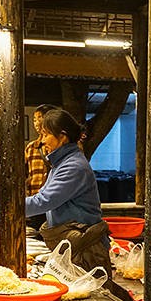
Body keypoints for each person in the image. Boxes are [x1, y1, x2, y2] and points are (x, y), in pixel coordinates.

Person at [26, 108, 111, 274]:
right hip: (72, 247)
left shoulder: (73, 166)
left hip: (85, 250)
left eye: (46, 135)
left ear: (63, 136)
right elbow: (42, 197)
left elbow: (44, 201)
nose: (42, 141)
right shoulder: (60, 164)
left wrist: (8, 207)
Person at [24, 104, 58, 230]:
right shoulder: (31, 147)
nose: (37, 122)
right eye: (34, 119)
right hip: (35, 202)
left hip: (54, 203)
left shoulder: (59, 147)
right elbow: (23, 174)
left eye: (40, 118)